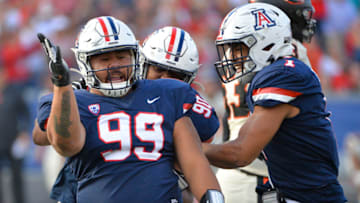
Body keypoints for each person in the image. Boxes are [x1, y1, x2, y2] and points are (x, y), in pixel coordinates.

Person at [34, 16, 224, 203]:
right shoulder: (75, 99)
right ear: (85, 63)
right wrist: (63, 89)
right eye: (104, 59)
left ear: (135, 57)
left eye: (121, 56)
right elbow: (50, 138)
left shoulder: (169, 94)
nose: (115, 65)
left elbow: (195, 161)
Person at [203, 3, 346, 202]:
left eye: (238, 48)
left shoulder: (284, 72)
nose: (232, 58)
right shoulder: (273, 72)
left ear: (266, 42)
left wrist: (188, 147)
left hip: (304, 193)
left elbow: (241, 153)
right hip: (278, 184)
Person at [140, 26, 220, 203]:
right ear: (142, 65)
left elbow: (195, 170)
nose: (165, 80)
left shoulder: (195, 109)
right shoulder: (121, 93)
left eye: (174, 75)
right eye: (158, 70)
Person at [0, 67, 30, 203]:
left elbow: (25, 113)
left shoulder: (14, 92)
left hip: (13, 141)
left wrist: (24, 132)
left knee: (16, 177)